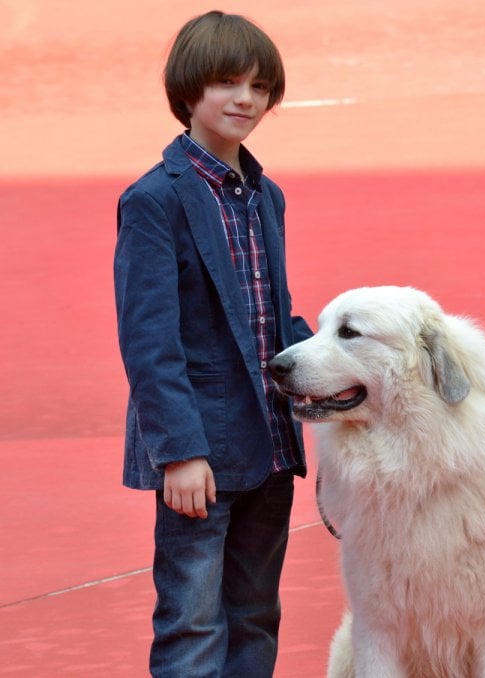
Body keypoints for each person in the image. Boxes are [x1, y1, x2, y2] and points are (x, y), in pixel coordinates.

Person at [113, 11, 314, 677]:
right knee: (193, 625)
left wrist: (349, 370)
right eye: (227, 83)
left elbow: (276, 319)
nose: (245, 100)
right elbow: (150, 342)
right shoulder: (154, 201)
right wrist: (178, 452)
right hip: (200, 456)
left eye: (259, 87)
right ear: (188, 91)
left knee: (255, 616)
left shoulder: (267, 197)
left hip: (272, 448)